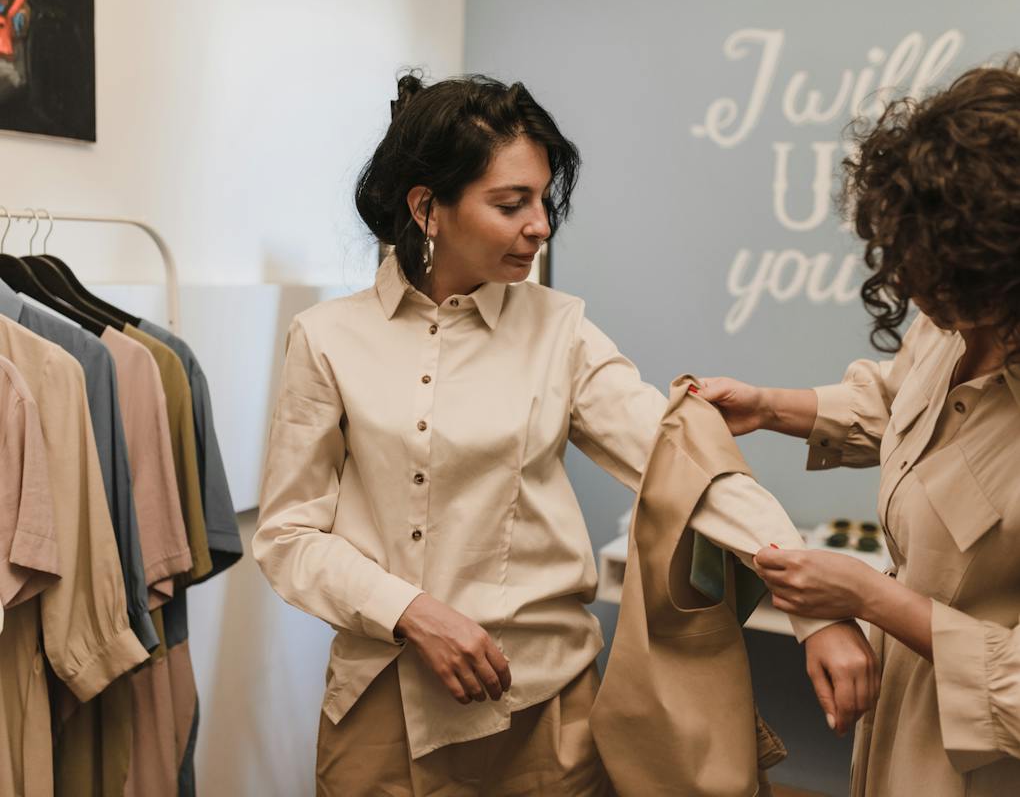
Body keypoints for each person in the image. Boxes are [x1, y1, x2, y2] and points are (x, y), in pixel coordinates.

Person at [253, 72, 873, 796]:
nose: (541, 224)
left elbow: (687, 468)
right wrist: (409, 611)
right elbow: (289, 536)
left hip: (545, 715)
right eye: (510, 203)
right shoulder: (325, 339)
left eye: (544, 200)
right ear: (427, 208)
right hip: (381, 714)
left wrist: (814, 612)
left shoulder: (562, 331)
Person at [700, 56, 1020, 797]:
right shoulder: (953, 317)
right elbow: (900, 403)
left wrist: (870, 598)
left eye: (939, 275)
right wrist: (770, 407)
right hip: (903, 720)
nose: (912, 288)